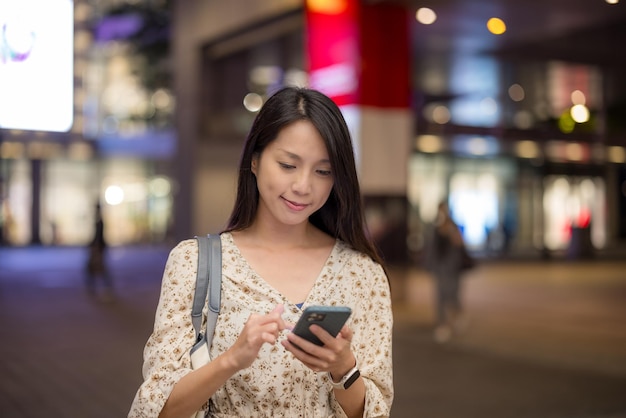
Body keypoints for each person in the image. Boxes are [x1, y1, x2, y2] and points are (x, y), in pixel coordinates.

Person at [128, 87, 394, 418]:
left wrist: (344, 368)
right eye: (288, 165)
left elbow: (376, 412)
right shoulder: (195, 263)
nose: (303, 186)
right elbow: (156, 410)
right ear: (254, 160)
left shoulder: (363, 275)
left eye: (323, 171)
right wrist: (232, 360)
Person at [425, 200, 467, 343]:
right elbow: (431, 248)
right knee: (441, 296)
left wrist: (451, 233)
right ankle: (443, 324)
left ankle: (456, 319)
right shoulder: (434, 226)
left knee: (453, 294)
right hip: (440, 267)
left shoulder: (453, 226)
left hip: (453, 267)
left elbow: (460, 243)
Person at [85, 202, 114, 301]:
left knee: (97, 267)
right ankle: (95, 287)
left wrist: (95, 246)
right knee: (96, 268)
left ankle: (101, 287)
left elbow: (98, 236)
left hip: (98, 248)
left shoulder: (100, 221)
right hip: (98, 247)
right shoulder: (99, 220)